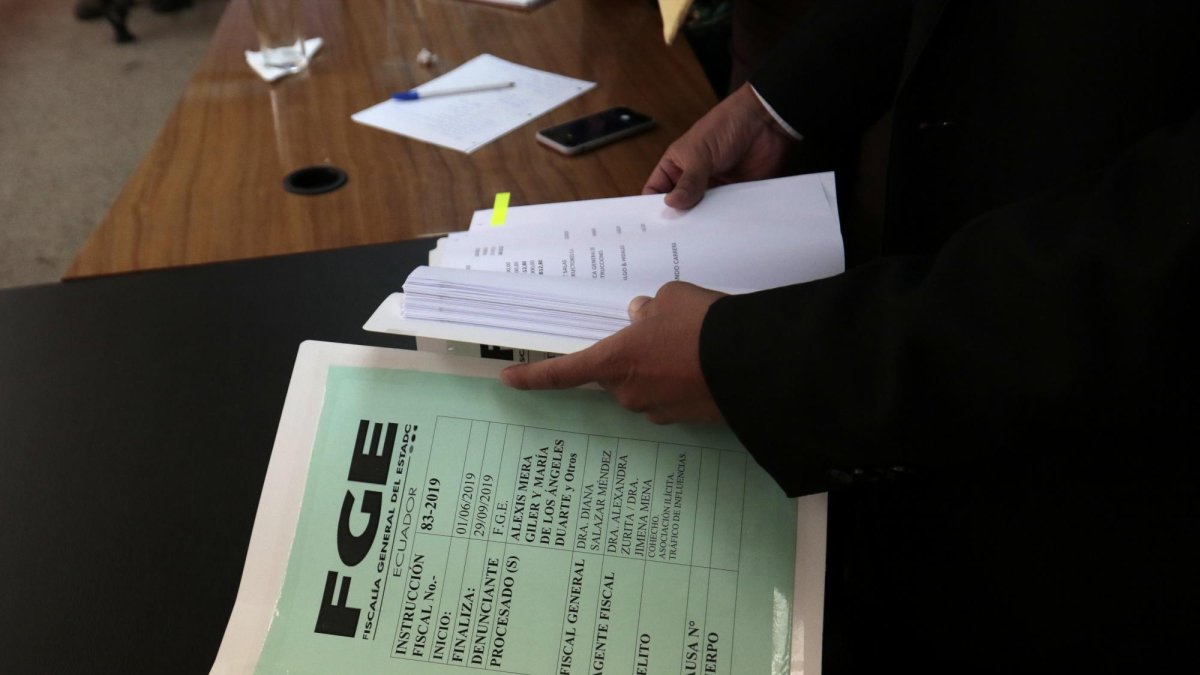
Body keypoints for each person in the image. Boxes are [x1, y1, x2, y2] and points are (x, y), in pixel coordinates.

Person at [503, 1, 1200, 672]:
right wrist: (776, 102)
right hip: (917, 380)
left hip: (1094, 498)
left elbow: (1153, 258)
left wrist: (755, 357)